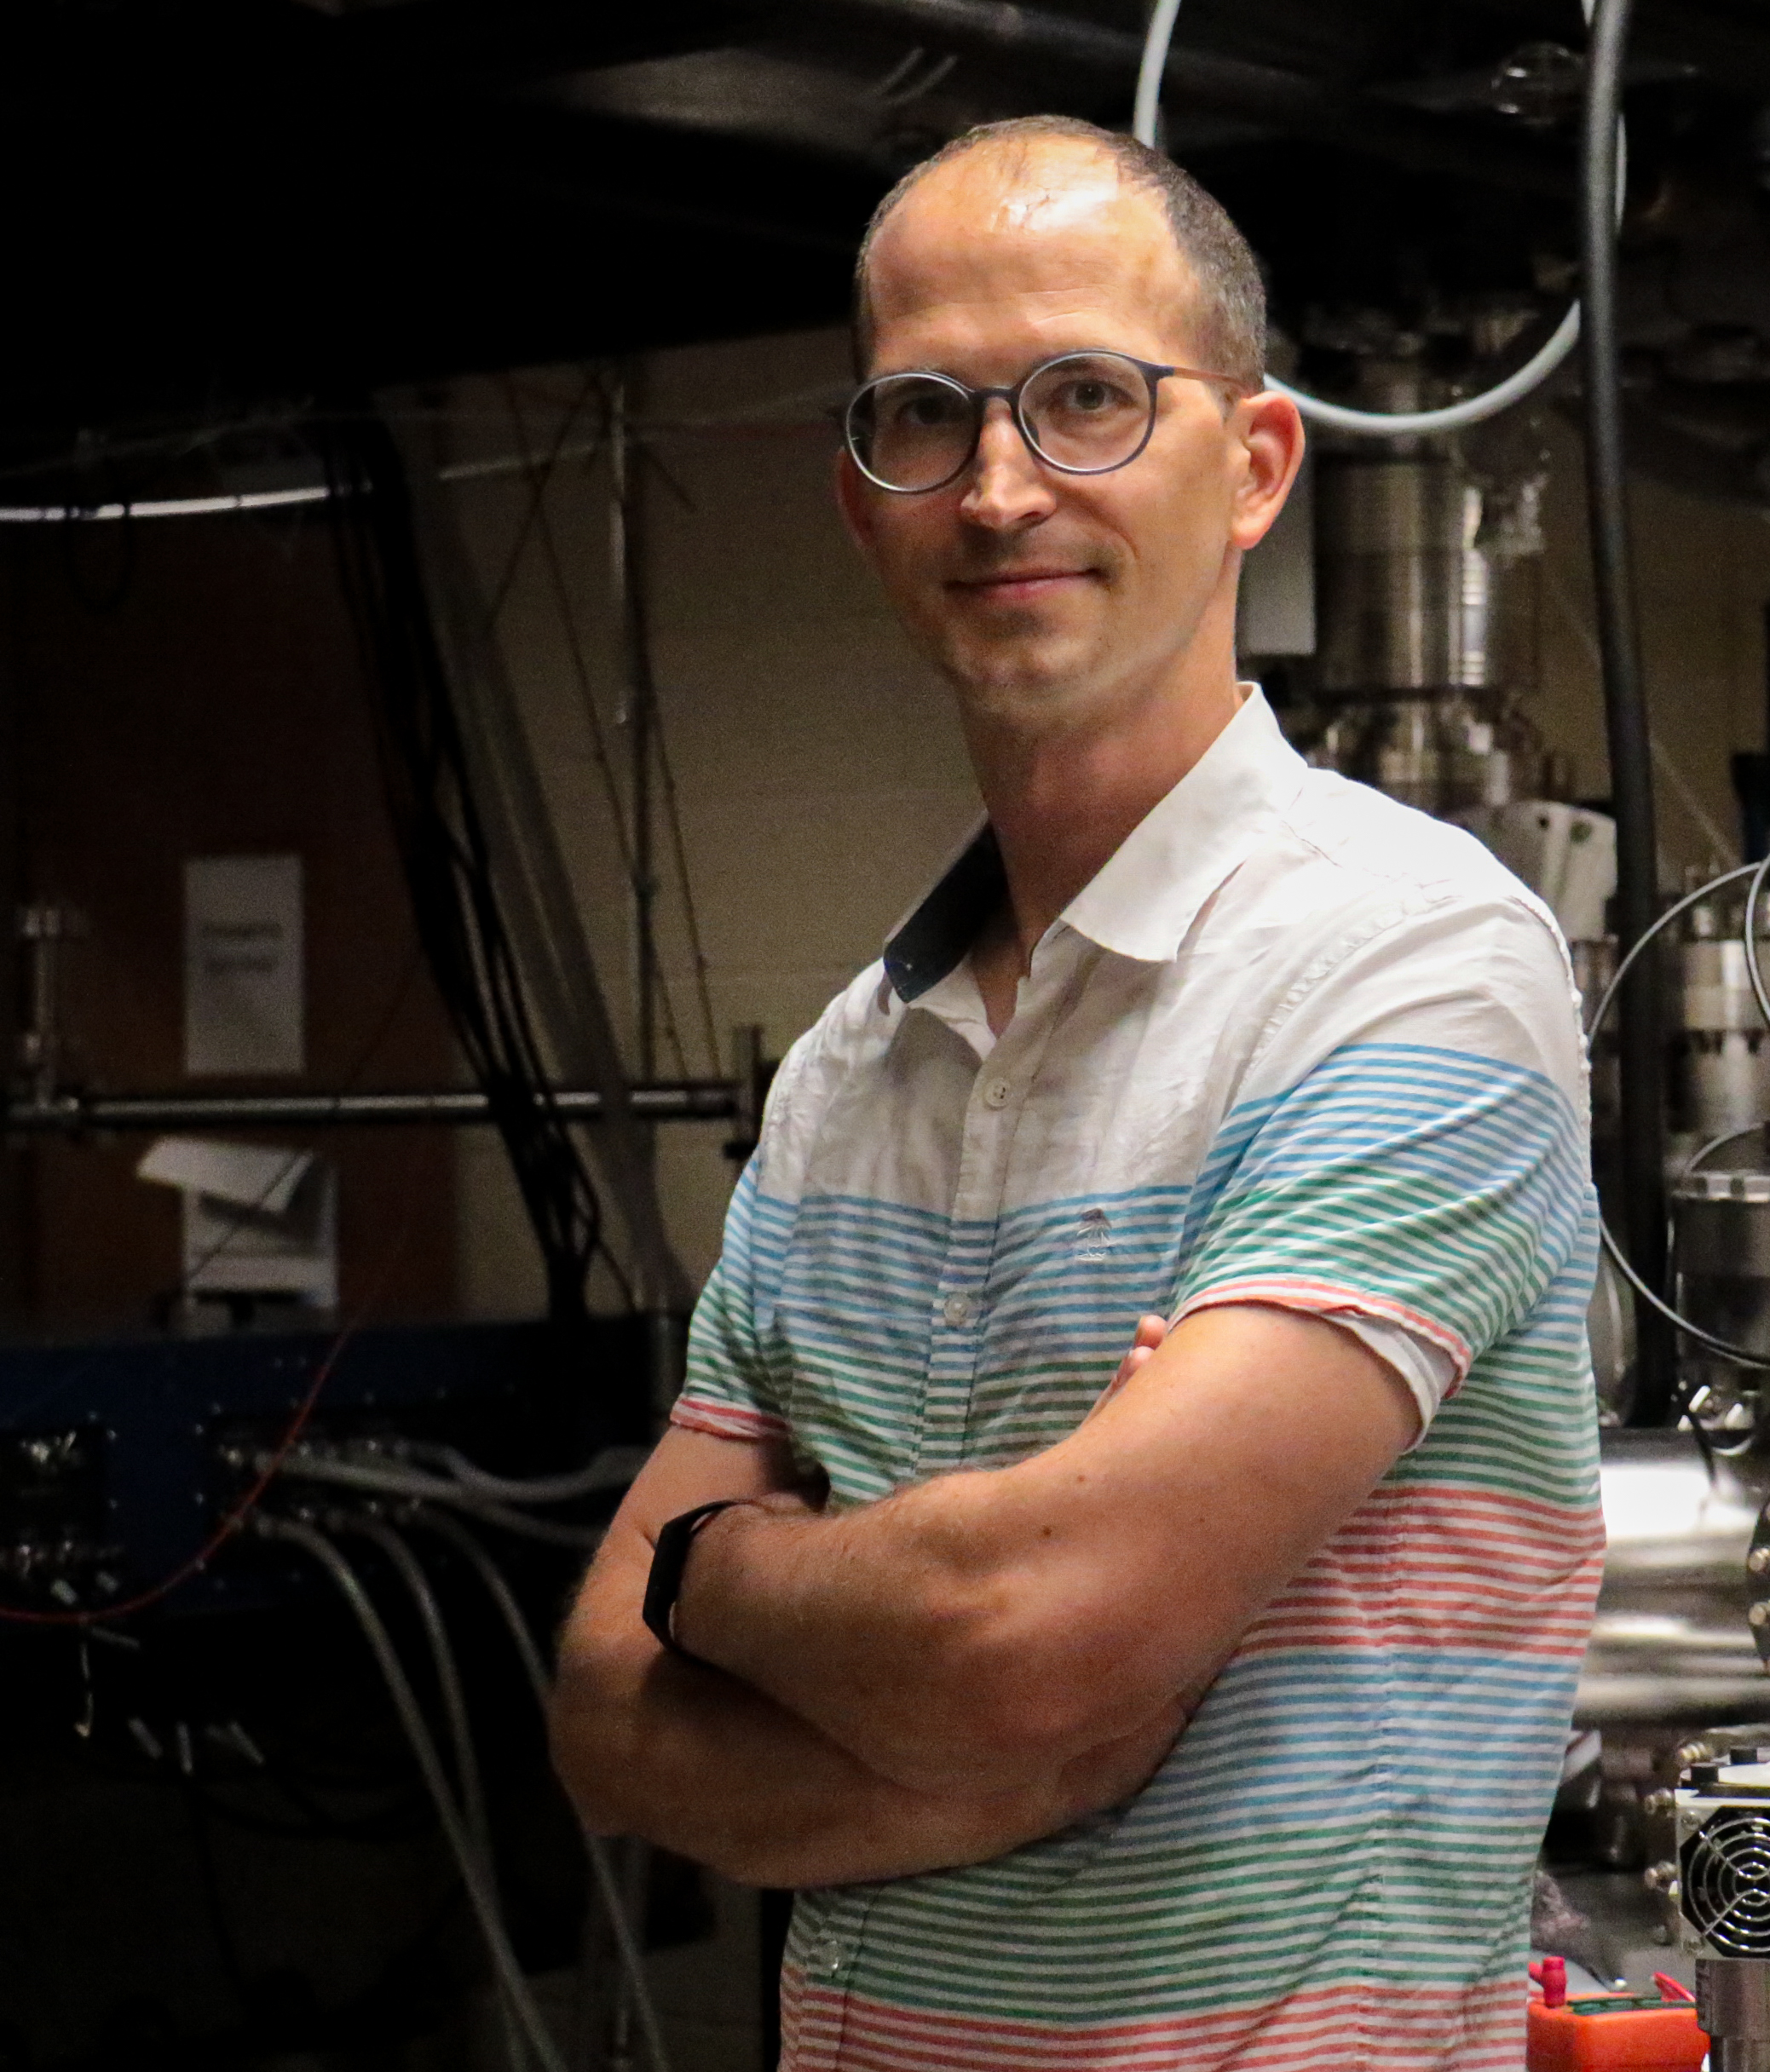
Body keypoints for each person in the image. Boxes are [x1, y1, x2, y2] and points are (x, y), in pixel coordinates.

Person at [547, 113, 1605, 2072]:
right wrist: (989, 1761)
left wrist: (722, 1568)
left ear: (1254, 465)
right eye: (925, 417)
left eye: (1090, 399)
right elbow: (610, 1720)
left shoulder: (1408, 968)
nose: (1001, 485)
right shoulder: (847, 1073)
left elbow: (1034, 1633)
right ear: (862, 499)